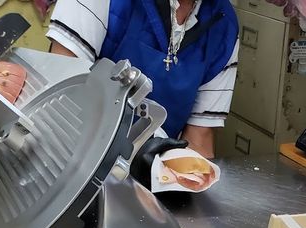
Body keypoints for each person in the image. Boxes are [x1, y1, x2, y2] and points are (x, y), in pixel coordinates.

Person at [46, 0, 239, 160]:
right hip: (71, 164)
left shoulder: (224, 24)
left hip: (151, 182)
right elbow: (61, 105)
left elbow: (199, 143)